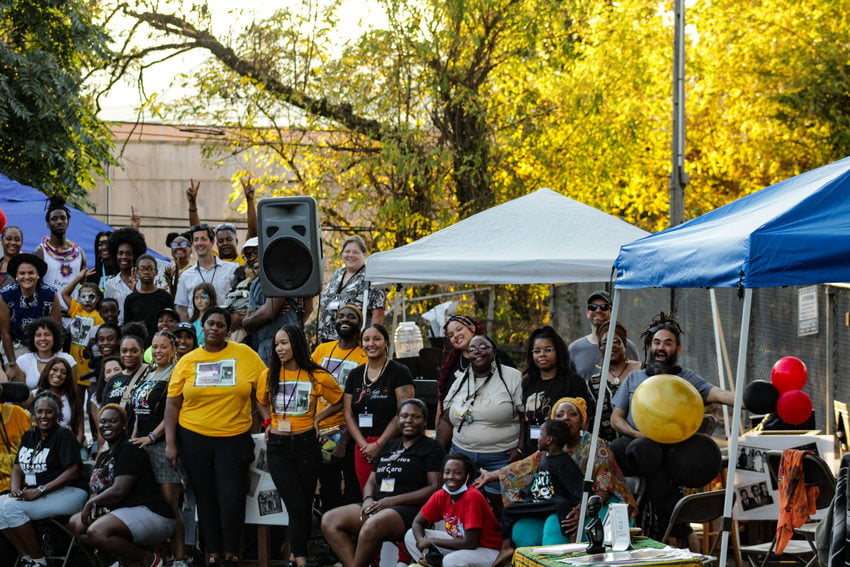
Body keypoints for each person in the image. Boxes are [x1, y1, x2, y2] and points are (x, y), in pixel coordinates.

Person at [610, 312, 734, 540]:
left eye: (668, 343)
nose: (661, 348)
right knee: (640, 452)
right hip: (637, 448)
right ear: (650, 346)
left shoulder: (686, 379)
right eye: (657, 342)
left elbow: (719, 394)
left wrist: (752, 400)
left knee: (658, 468)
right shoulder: (635, 378)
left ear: (678, 349)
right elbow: (616, 418)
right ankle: (683, 529)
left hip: (675, 452)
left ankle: (666, 534)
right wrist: (636, 433)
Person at [165, 307, 266, 566]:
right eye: (210, 323)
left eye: (221, 325)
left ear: (227, 330)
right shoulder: (187, 361)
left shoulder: (245, 355)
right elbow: (173, 404)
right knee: (205, 497)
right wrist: (170, 443)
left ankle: (231, 553)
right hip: (194, 438)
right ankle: (212, 553)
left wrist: (268, 421)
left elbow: (263, 390)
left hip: (234, 439)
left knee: (231, 497)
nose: (214, 329)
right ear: (203, 325)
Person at [257, 325, 344, 567]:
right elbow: (260, 401)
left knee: (304, 505)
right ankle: (302, 561)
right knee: (295, 504)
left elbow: (339, 400)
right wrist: (267, 422)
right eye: (276, 344)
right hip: (278, 446)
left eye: (284, 343)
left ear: (296, 343)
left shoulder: (317, 375)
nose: (279, 348)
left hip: (307, 444)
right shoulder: (269, 374)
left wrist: (318, 419)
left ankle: (296, 556)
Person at [321, 398, 444, 567]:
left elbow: (433, 488)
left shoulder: (432, 447)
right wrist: (368, 499)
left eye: (415, 417)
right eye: (404, 416)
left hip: (410, 509)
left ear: (424, 421)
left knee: (373, 524)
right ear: (398, 419)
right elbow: (372, 480)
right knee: (330, 520)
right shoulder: (389, 445)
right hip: (378, 504)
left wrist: (392, 501)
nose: (409, 420)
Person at [69, 404, 175, 567]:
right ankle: (126, 560)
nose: (106, 425)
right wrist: (92, 501)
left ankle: (148, 559)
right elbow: (96, 489)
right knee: (76, 523)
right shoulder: (104, 456)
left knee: (96, 531)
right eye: (103, 422)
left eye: (113, 421)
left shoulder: (130, 449)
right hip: (121, 513)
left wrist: (90, 504)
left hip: (150, 512)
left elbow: (119, 490)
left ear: (124, 425)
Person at [437, 334, 523, 512]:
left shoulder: (512, 377)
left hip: (500, 457)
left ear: (494, 352)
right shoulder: (460, 380)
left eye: (483, 347)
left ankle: (500, 539)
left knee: (502, 509)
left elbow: (525, 418)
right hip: (462, 454)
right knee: (462, 505)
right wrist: (438, 453)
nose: (477, 352)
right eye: (472, 349)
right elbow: (446, 419)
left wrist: (520, 448)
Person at [0, 392, 88, 567]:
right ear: (33, 414)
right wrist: (15, 490)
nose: (43, 416)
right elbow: (17, 469)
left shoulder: (64, 435)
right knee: (1, 503)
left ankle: (39, 561)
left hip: (70, 493)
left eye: (49, 412)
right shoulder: (29, 436)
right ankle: (26, 557)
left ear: (57, 414)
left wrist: (41, 490)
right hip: (40, 492)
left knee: (12, 507)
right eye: (39, 411)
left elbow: (73, 471)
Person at [127, 331, 188, 566]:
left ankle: (181, 557)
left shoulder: (175, 373)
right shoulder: (148, 373)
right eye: (155, 347)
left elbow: (173, 411)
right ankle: (160, 557)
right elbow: (137, 413)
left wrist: (152, 437)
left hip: (161, 446)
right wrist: (134, 438)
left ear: (173, 349)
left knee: (169, 505)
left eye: (164, 346)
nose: (159, 351)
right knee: (151, 505)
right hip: (141, 445)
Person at [491, 419, 584, 566]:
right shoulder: (544, 459)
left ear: (549, 440)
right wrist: (525, 493)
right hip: (538, 503)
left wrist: (578, 506)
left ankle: (573, 541)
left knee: (561, 503)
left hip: (552, 505)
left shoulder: (564, 462)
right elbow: (537, 483)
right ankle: (506, 547)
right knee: (509, 510)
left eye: (541, 434)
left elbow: (578, 488)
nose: (537, 438)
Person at [343, 323, 415, 490]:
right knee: (366, 493)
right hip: (363, 447)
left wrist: (379, 445)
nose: (371, 343)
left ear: (386, 342)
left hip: (392, 445)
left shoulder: (399, 372)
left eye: (377, 338)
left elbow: (405, 413)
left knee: (388, 492)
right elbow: (348, 414)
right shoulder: (355, 374)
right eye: (366, 339)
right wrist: (364, 446)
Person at [312, 304, 369, 510]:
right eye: (341, 316)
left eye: (351, 317)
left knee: (352, 487)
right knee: (328, 487)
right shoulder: (322, 350)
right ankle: (330, 535)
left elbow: (358, 401)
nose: (345, 320)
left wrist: (344, 440)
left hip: (347, 432)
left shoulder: (364, 356)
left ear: (360, 324)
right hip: (319, 431)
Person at [405, 453, 502, 567]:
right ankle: (431, 563)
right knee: (411, 535)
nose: (450, 476)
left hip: (487, 549)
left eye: (457, 473)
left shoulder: (472, 496)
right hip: (460, 545)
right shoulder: (441, 495)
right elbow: (418, 522)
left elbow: (470, 543)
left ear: (467, 476)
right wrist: (424, 546)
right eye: (447, 472)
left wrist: (432, 541)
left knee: (452, 561)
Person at [520, 326, 594, 453]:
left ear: (558, 351)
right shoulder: (528, 382)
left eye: (548, 350)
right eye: (537, 351)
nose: (542, 354)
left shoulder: (573, 381)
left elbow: (585, 419)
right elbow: (524, 420)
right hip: (532, 451)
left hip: (563, 452)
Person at [242, 237, 313, 364]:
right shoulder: (254, 284)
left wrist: (263, 313)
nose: (251, 258)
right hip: (263, 349)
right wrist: (263, 311)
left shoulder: (281, 275)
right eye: (247, 256)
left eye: (255, 252)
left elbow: (269, 312)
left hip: (290, 347)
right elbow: (247, 324)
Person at [437, 314, 516, 413]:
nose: (456, 335)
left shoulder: (497, 356)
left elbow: (516, 390)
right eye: (451, 335)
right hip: (456, 422)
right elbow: (442, 401)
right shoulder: (450, 366)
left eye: (459, 329)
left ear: (472, 328)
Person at [0, 254, 60, 381]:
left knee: (46, 379)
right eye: (22, 273)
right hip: (17, 345)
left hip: (45, 342)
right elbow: (5, 333)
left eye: (31, 273)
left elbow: (56, 329)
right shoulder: (5, 295)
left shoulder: (50, 294)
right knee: (19, 381)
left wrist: (54, 359)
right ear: (16, 276)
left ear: (38, 275)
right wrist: (12, 364)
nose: (26, 277)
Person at [316, 235, 386, 344]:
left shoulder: (371, 277)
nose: (350, 255)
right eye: (347, 251)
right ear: (342, 254)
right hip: (327, 339)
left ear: (364, 254)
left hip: (352, 342)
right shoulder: (338, 273)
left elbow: (378, 313)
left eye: (355, 252)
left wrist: (369, 340)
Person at [568, 290, 639, 381]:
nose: (598, 310)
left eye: (604, 307)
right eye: (593, 307)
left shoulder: (627, 346)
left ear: (612, 312)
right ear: (587, 312)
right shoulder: (575, 349)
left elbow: (638, 378)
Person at [185, 177, 258, 264]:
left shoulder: (244, 259)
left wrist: (250, 200)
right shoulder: (213, 259)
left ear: (236, 241)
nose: (225, 243)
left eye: (229, 239)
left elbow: (253, 231)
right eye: (220, 241)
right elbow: (197, 231)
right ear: (216, 244)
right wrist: (192, 203)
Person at [174, 224, 239, 322]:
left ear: (212, 242)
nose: (199, 243)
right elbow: (182, 309)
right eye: (196, 240)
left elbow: (239, 303)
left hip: (224, 330)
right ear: (192, 243)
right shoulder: (186, 276)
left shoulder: (232, 269)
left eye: (203, 239)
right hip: (197, 332)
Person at [588, 321, 640, 441]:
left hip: (641, 442)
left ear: (625, 344)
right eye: (604, 343)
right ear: (600, 347)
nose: (611, 346)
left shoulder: (641, 372)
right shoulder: (593, 383)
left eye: (616, 341)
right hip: (606, 448)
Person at [34, 195, 86, 298]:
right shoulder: (40, 252)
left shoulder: (79, 253)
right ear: (48, 224)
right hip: (49, 312)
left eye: (63, 218)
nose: (59, 221)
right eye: (54, 219)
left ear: (68, 222)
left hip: (74, 312)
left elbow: (83, 286)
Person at [61, 269, 103, 382]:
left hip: (89, 361)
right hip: (74, 360)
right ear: (79, 298)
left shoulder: (99, 316)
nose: (87, 301)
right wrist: (78, 278)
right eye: (83, 297)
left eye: (91, 297)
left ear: (98, 298)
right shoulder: (76, 309)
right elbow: (64, 293)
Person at [102, 228, 151, 324]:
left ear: (135, 255)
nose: (124, 257)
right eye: (120, 253)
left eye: (129, 253)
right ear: (115, 255)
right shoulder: (110, 285)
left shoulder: (145, 280)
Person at [13, 317, 76, 391]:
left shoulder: (68, 360)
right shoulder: (22, 361)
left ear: (55, 337)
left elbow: (74, 392)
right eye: (38, 335)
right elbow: (19, 394)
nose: (42, 338)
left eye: (47, 334)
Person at [123, 255, 175, 341]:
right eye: (142, 269)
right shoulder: (130, 299)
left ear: (156, 272)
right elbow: (127, 327)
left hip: (160, 343)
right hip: (138, 344)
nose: (146, 272)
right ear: (137, 272)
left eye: (150, 269)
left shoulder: (165, 297)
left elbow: (171, 323)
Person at [34, 358, 84, 446]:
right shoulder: (35, 395)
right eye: (54, 369)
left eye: (63, 372)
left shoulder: (73, 398)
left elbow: (80, 433)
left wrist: (72, 450)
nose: (58, 374)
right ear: (47, 371)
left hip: (68, 446)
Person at [98, 335, 148, 409]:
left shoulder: (151, 375)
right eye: (124, 351)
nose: (128, 354)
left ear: (142, 352)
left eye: (134, 351)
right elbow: (104, 410)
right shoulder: (113, 380)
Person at [189, 282, 216, 347]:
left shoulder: (216, 322)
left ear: (211, 298)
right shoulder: (191, 323)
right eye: (196, 298)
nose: (199, 301)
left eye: (203, 298)